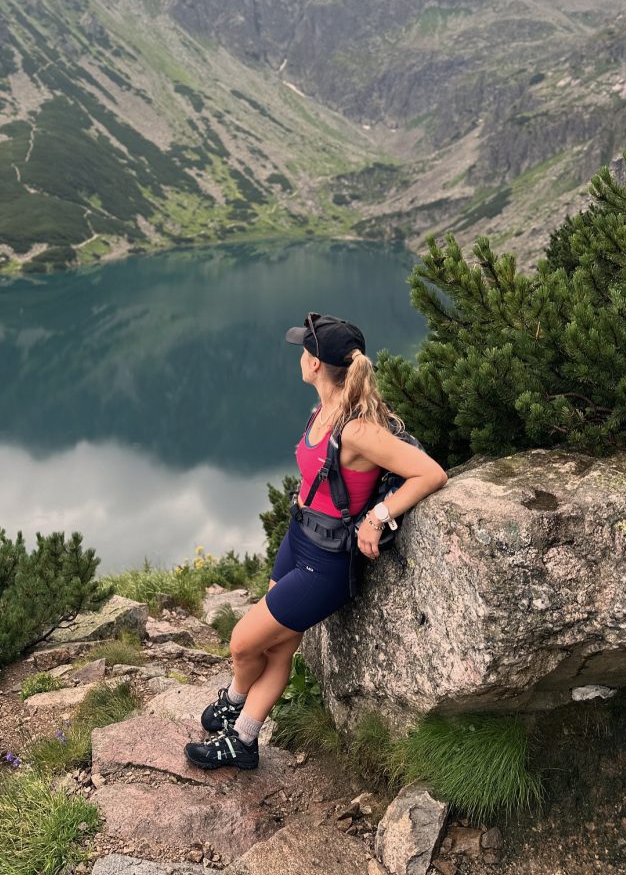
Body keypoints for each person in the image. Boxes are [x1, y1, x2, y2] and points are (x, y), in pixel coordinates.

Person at [184, 313, 448, 771]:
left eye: (305, 350)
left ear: (316, 364)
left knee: (243, 643)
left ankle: (233, 699)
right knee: (278, 647)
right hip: (299, 539)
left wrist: (376, 518)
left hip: (326, 565)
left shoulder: (358, 430)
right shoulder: (325, 410)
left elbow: (431, 472)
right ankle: (243, 738)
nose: (300, 356)